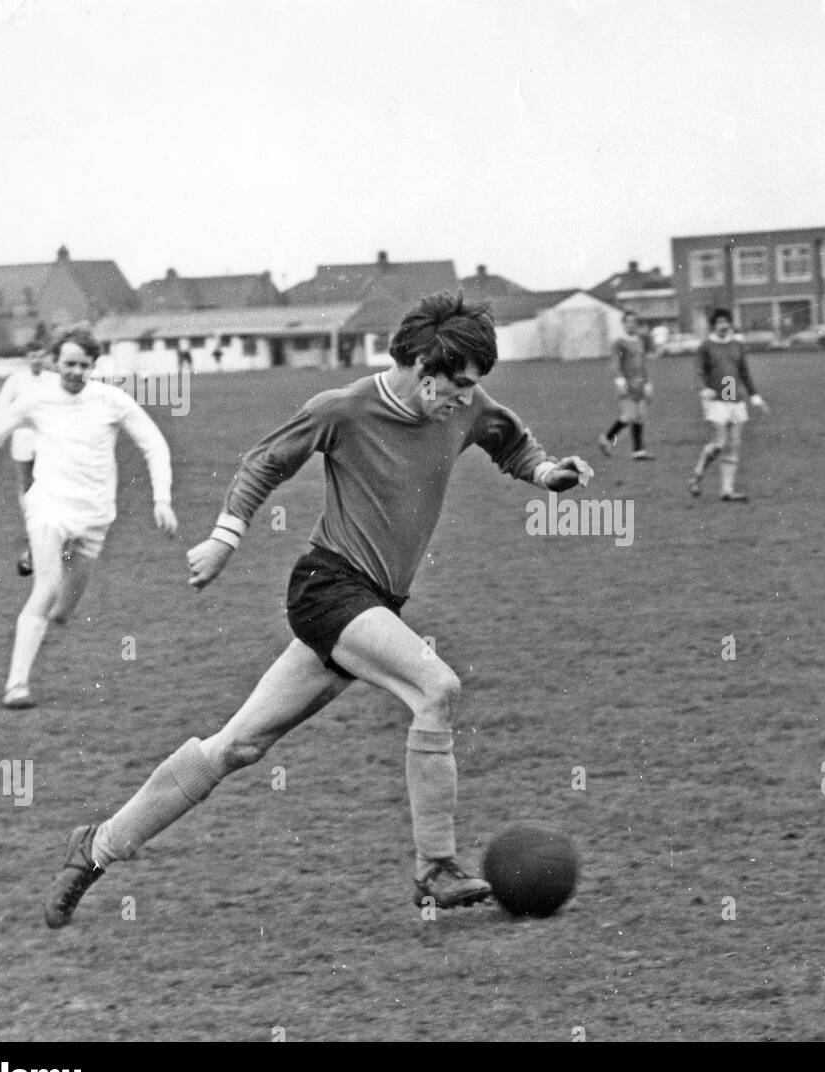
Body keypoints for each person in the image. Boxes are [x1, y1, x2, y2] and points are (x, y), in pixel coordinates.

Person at [40, 292, 595, 928]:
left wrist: (547, 473)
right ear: (421, 366)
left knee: (236, 746)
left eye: (473, 387)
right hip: (328, 589)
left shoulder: (465, 406)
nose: (466, 399)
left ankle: (97, 846)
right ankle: (435, 867)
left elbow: (508, 441)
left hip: (372, 603)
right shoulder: (345, 409)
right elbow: (262, 462)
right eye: (458, 386)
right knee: (437, 687)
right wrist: (225, 537)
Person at [0, 330, 177, 708]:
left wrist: (162, 499)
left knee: (63, 613)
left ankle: (42, 558)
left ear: (93, 366)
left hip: (95, 515)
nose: (76, 371)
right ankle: (16, 686)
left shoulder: (111, 400)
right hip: (49, 506)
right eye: (69, 363)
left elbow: (154, 444)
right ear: (55, 361)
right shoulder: (36, 401)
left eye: (84, 365)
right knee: (46, 587)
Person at [0, 339, 54, 576]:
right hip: (23, 440)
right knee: (27, 486)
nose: (36, 359)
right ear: (27, 358)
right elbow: (0, 410)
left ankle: (47, 535)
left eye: (40, 355)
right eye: (32, 355)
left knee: (49, 486)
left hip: (48, 440)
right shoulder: (15, 381)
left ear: (45, 356)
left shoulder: (53, 380)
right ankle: (33, 530)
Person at [689, 308, 768, 501]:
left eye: (726, 322)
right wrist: (703, 388)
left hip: (734, 397)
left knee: (733, 445)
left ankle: (727, 490)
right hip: (716, 398)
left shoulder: (737, 346)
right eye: (719, 322)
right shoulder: (706, 347)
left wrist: (755, 397)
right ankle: (697, 474)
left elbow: (744, 373)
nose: (723, 325)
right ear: (713, 325)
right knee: (719, 443)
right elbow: (698, 371)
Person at [599, 311, 655, 460]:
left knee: (640, 417)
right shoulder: (619, 343)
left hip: (640, 384)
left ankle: (638, 451)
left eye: (634, 322)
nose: (631, 324)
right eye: (628, 321)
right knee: (629, 415)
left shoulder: (640, 341)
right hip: (627, 384)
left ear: (637, 324)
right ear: (624, 324)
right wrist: (620, 381)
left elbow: (642, 364)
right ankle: (606, 438)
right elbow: (616, 363)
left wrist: (648, 383)